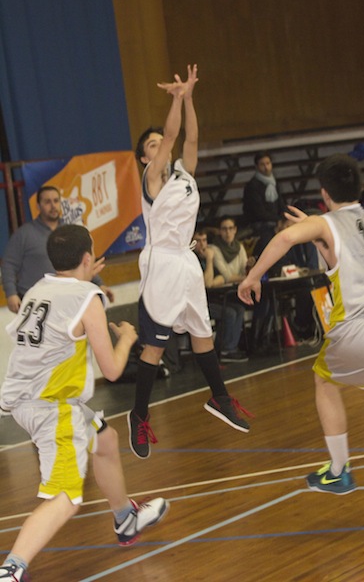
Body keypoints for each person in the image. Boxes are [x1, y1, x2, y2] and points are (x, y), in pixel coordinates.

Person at [0, 225, 168, 582]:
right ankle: (12, 569)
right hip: (52, 406)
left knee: (104, 439)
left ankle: (125, 518)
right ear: (88, 258)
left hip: (28, 396)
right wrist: (127, 338)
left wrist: (84, 280)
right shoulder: (88, 297)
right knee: (65, 497)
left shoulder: (38, 290)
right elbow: (112, 370)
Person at [238, 153, 364, 495]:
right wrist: (315, 233)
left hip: (360, 328)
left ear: (324, 193)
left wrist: (252, 277)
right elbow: (344, 256)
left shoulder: (327, 224)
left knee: (324, 383)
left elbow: (285, 239)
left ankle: (339, 471)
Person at [128, 64, 252, 460]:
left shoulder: (185, 174)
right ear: (145, 158)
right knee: (154, 346)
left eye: (158, 143)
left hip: (186, 260)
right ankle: (139, 415)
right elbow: (172, 135)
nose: (159, 147)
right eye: (151, 146)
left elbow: (191, 137)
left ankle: (220, 398)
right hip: (161, 262)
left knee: (203, 335)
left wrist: (191, 98)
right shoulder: (151, 179)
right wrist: (177, 99)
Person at [1, 185, 114, 313]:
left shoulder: (69, 233)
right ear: (38, 206)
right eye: (47, 202)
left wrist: (100, 284)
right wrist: (11, 294)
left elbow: (83, 262)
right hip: (33, 303)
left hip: (65, 299)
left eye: (56, 201)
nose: (53, 206)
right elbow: (8, 265)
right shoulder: (24, 234)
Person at [193, 227, 248, 363]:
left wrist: (213, 280)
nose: (202, 244)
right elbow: (207, 284)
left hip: (212, 300)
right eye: (198, 241)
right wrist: (210, 260)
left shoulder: (206, 257)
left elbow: (222, 278)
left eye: (204, 240)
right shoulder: (193, 260)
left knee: (239, 309)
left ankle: (230, 347)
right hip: (197, 305)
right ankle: (224, 350)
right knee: (229, 313)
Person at [242, 151, 286, 257]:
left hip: (274, 221)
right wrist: (278, 220)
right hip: (259, 224)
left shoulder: (274, 183)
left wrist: (285, 218)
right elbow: (259, 213)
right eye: (262, 164)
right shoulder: (252, 186)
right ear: (257, 166)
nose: (266, 167)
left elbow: (281, 204)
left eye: (268, 163)